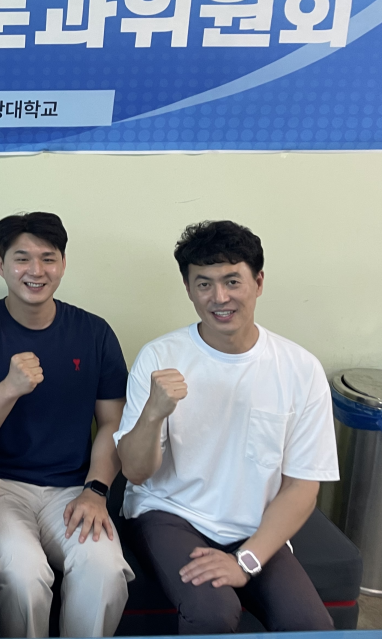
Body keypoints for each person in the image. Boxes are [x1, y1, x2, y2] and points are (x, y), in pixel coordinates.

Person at [115, 220, 339, 634]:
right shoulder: (159, 357)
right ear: (188, 289)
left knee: (309, 624)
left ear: (258, 282)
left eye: (232, 281)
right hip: (170, 513)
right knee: (212, 611)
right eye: (204, 284)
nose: (219, 298)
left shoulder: (300, 369)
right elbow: (135, 472)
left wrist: (245, 561)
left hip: (253, 525)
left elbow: (301, 487)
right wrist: (153, 412)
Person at [0, 212, 134, 638]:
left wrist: (96, 490)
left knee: (105, 571)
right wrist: (9, 388)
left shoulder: (94, 332)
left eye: (48, 258)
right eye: (22, 258)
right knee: (24, 575)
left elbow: (112, 423)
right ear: (1, 265)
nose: (36, 270)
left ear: (63, 264)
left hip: (73, 487)